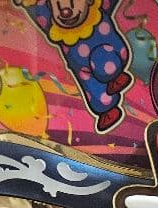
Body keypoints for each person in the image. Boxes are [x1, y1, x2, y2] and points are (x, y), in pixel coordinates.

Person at [14, 0, 131, 133]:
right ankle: (106, 111)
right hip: (82, 67)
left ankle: (116, 77)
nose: (65, 11)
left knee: (104, 59)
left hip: (110, 53)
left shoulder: (97, 10)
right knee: (92, 88)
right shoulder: (54, 26)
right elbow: (38, 9)